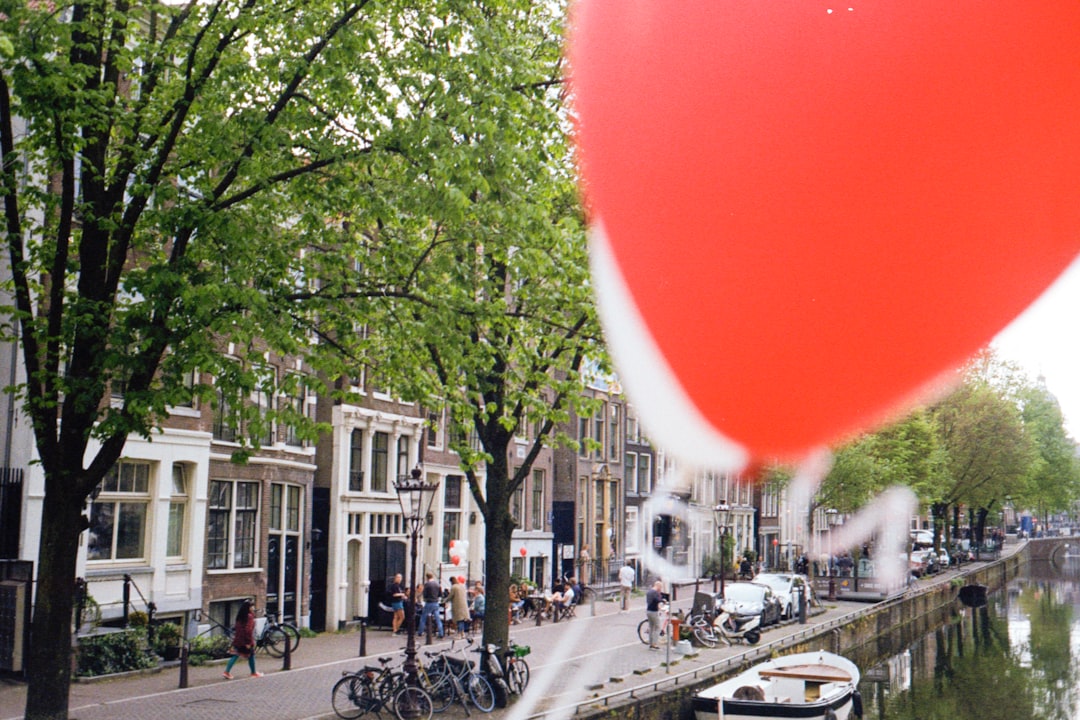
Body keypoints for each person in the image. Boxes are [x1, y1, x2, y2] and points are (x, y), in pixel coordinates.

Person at [223, 600, 262, 679]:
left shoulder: (240, 616)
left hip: (238, 639)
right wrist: (248, 642)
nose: (253, 608)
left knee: (236, 655)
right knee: (251, 655)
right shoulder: (249, 616)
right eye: (252, 606)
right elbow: (248, 630)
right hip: (245, 641)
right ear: (249, 608)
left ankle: (226, 672)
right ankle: (253, 673)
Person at [418, 572, 444, 638]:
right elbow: (440, 594)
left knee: (423, 617)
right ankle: (441, 633)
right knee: (437, 619)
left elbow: (425, 594)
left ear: (427, 577)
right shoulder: (437, 584)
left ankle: (420, 632)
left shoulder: (427, 584)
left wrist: (426, 598)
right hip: (436, 603)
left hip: (429, 602)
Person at [645, 580, 664, 649]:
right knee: (658, 627)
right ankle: (654, 643)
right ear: (658, 586)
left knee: (651, 627)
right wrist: (661, 598)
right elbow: (658, 600)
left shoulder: (649, 592)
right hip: (654, 612)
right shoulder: (655, 593)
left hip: (648, 610)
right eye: (660, 587)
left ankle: (650, 642)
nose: (660, 589)